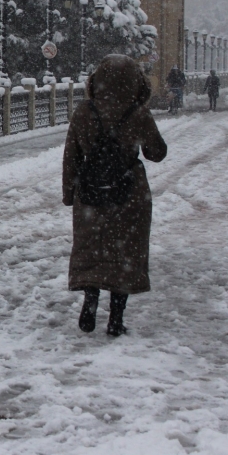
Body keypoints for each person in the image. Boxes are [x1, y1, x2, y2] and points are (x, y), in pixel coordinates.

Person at [63, 54, 167, 337]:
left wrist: (69, 194)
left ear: (97, 80)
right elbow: (156, 153)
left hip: (90, 193)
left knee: (93, 249)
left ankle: (90, 302)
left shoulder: (84, 111)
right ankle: (116, 319)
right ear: (136, 82)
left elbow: (71, 155)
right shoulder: (138, 113)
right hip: (129, 193)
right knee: (125, 253)